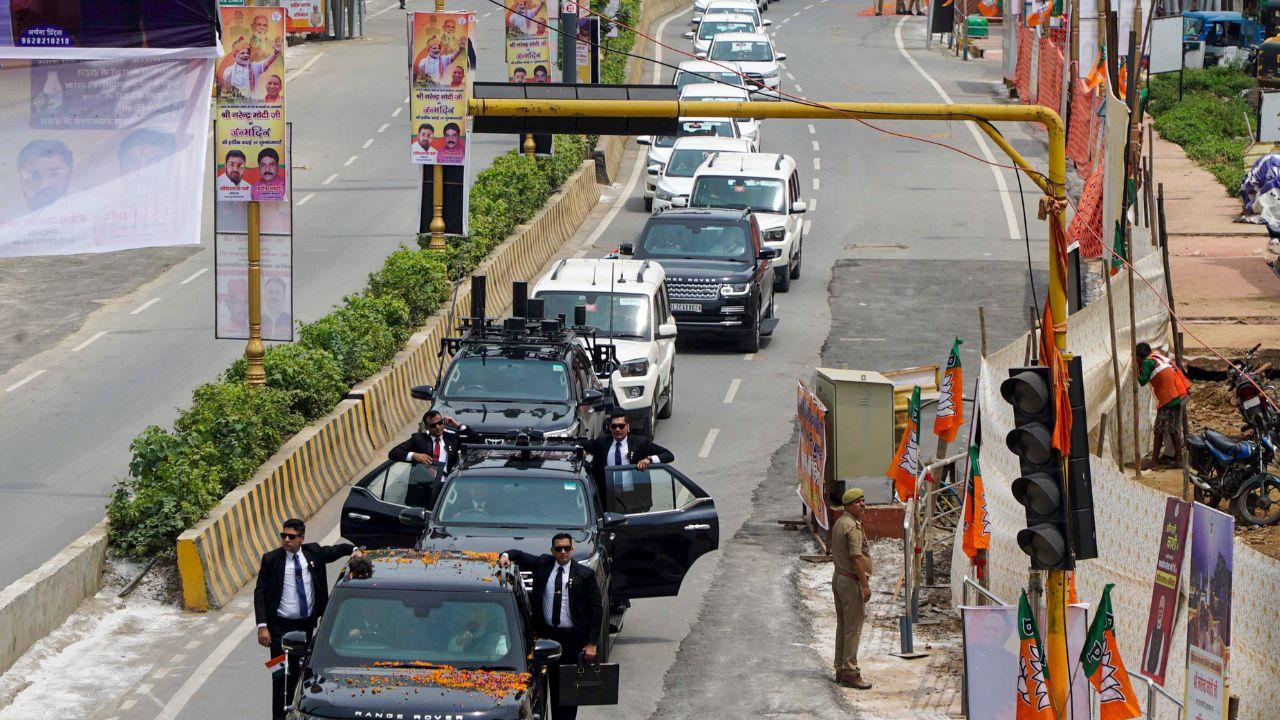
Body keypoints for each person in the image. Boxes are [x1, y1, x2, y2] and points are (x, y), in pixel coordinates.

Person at [254, 519, 359, 720]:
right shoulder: (271, 560)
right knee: (280, 677)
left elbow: (337, 550)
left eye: (291, 537)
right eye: (283, 536)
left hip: (306, 626)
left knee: (303, 672)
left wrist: (355, 550)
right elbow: (260, 592)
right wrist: (262, 626)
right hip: (278, 630)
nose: (286, 540)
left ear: (301, 538)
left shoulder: (313, 553)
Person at [499, 535, 604, 720]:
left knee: (569, 694)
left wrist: (592, 643)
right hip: (547, 637)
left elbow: (596, 609)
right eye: (558, 549)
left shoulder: (584, 575)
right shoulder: (544, 564)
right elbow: (520, 555)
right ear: (552, 551)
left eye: (566, 548)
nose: (562, 552)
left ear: (572, 550)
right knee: (544, 687)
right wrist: (505, 555)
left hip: (573, 640)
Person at [830, 487, 872, 689]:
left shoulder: (840, 522)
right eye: (857, 502)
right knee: (853, 629)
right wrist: (864, 585)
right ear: (847, 505)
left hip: (838, 578)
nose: (862, 504)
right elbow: (856, 557)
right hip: (849, 581)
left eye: (863, 500)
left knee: (843, 626)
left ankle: (840, 667)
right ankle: (850, 671)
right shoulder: (852, 527)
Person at [585, 412, 674, 493]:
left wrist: (649, 459)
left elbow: (668, 455)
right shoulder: (602, 443)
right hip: (607, 497)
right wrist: (582, 450)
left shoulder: (640, 443)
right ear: (609, 427)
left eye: (621, 426)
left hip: (633, 497)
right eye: (614, 426)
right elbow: (581, 444)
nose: (617, 429)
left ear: (627, 427)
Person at [1137, 342, 1191, 469]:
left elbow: (1142, 381)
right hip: (1179, 393)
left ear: (1140, 357)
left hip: (1170, 398)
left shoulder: (1147, 362)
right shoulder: (1158, 356)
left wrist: (1136, 367)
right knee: (1172, 429)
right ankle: (1178, 459)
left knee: (1159, 429)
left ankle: (1155, 462)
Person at [387, 410, 481, 473]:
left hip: (445, 486)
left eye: (440, 423)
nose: (437, 427)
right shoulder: (419, 439)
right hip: (424, 486)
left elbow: (478, 441)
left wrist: (458, 426)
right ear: (427, 427)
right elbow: (393, 453)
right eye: (433, 425)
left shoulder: (452, 438)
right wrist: (415, 456)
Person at [17, 139, 73, 211]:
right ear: (22, 185)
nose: (44, 185)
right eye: (34, 177)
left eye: (55, 174)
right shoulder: (14, 220)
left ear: (72, 176)